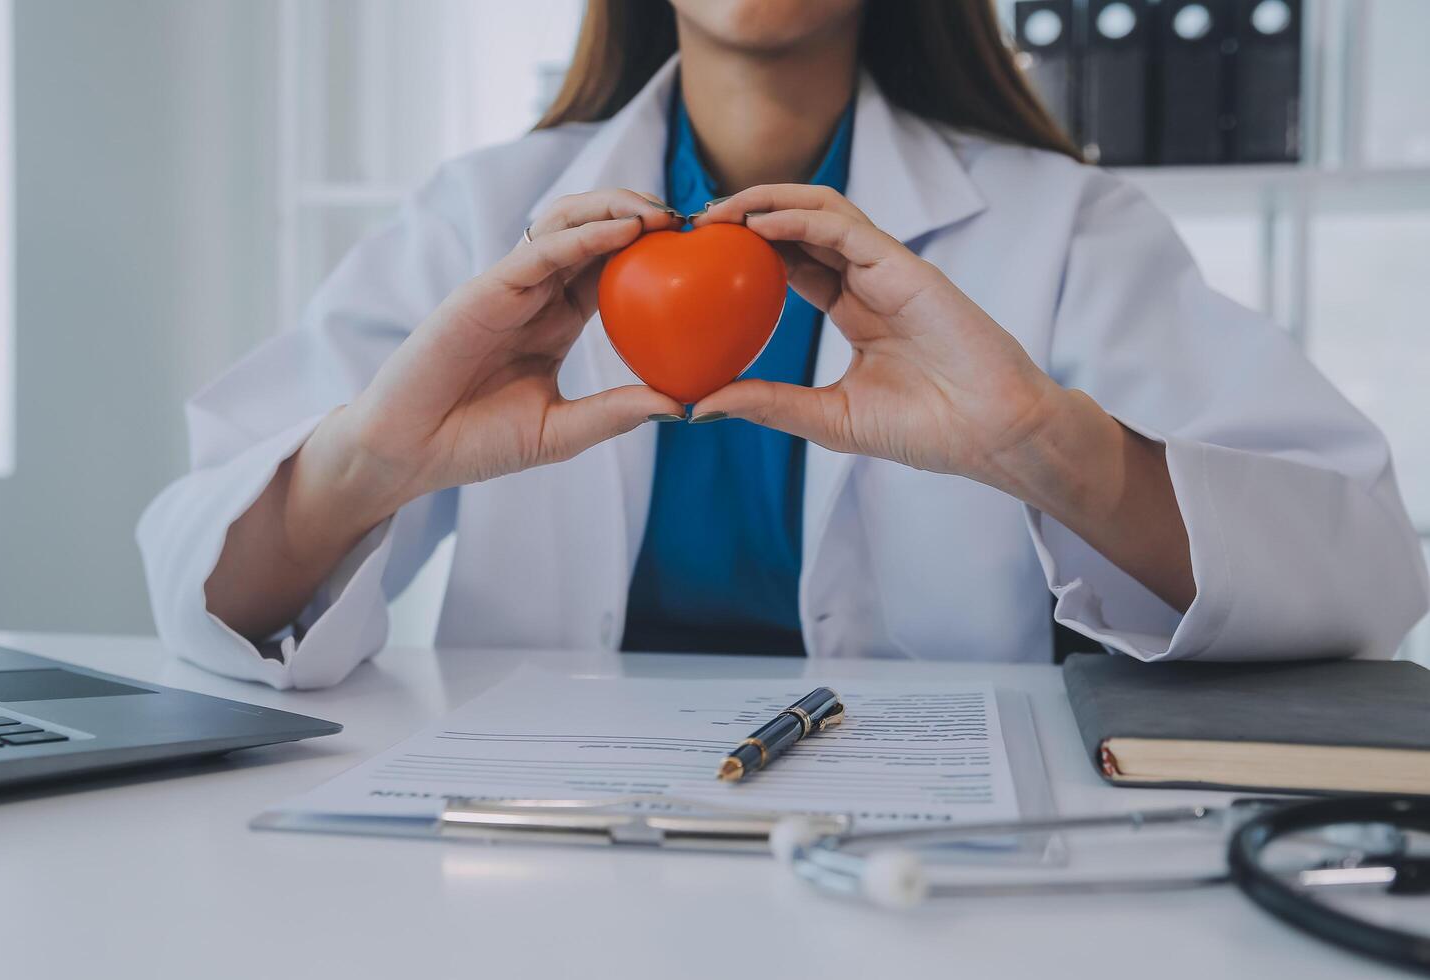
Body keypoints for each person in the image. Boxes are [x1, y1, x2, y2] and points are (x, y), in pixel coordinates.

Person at [138, 0, 1428, 689]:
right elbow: (207, 600)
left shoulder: (1068, 225)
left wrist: (1046, 445)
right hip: (541, 845)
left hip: (927, 863)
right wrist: (371, 465)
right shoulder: (476, 214)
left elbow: (1364, 571)